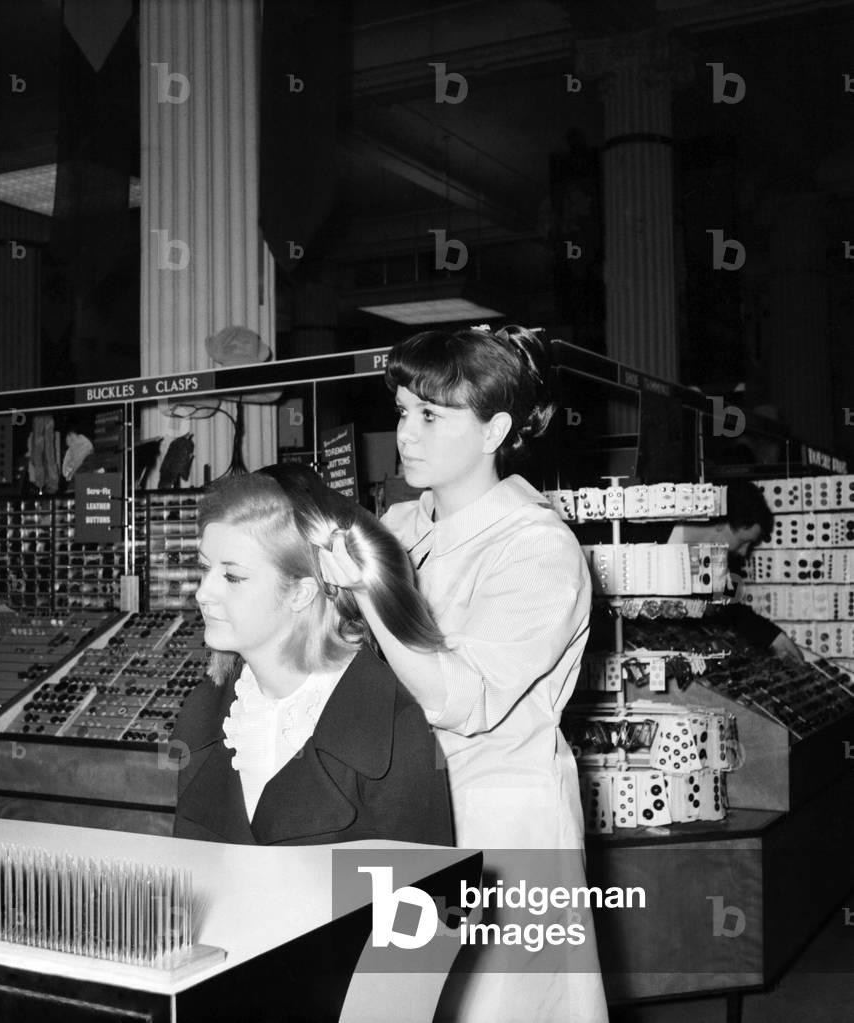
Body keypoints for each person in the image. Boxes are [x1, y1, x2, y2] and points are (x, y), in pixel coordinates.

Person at [321, 324, 608, 1023]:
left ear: (494, 431)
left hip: (498, 821)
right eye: (402, 411)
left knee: (493, 1006)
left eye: (430, 415)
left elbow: (462, 697)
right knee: (399, 1006)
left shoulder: (537, 546)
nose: (405, 434)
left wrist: (368, 589)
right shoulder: (399, 525)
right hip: (402, 808)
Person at [171, 466, 453, 847]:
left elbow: (422, 883)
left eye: (232, 577)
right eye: (205, 568)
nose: (203, 593)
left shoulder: (392, 727)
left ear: (301, 593)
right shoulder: (204, 713)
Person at [665, 480, 803, 661]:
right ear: (720, 523)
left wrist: (774, 637)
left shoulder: (720, 560)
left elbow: (731, 609)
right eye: (743, 541)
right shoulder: (642, 534)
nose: (744, 552)